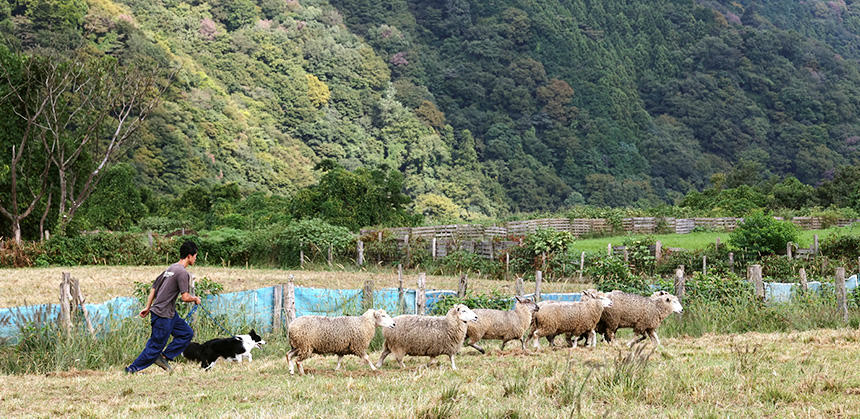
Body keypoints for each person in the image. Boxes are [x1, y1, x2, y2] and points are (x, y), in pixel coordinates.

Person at [125, 241, 201, 373]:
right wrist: (195, 299)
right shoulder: (183, 273)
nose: (196, 258)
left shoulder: (171, 268)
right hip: (162, 314)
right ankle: (132, 369)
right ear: (189, 256)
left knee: (186, 333)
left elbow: (154, 287)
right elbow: (185, 297)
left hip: (170, 313)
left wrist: (148, 307)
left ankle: (164, 357)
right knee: (155, 345)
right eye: (195, 256)